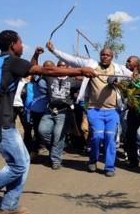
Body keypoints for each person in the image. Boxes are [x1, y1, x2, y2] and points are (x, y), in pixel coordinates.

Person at [0, 30, 96, 214]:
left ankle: (9, 207)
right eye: (20, 42)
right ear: (12, 45)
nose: (22, 45)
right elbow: (45, 70)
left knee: (22, 162)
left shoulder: (1, 62)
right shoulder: (12, 62)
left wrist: (35, 56)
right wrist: (79, 70)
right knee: (18, 165)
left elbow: (30, 68)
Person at [46, 41, 132, 177]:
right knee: (97, 136)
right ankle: (93, 160)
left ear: (112, 57)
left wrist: (119, 82)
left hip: (113, 111)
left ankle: (109, 167)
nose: (105, 57)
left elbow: (134, 78)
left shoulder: (119, 69)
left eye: (108, 55)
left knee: (110, 137)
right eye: (103, 54)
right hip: (94, 109)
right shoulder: (91, 65)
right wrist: (54, 51)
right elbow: (71, 59)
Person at [38, 60, 82, 170]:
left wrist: (78, 91)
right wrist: (36, 55)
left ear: (68, 67)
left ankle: (56, 160)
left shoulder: (73, 81)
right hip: (49, 111)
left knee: (58, 136)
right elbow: (35, 67)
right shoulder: (49, 77)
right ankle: (55, 150)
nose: (61, 68)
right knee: (42, 131)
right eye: (59, 66)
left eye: (64, 66)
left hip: (64, 113)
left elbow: (87, 84)